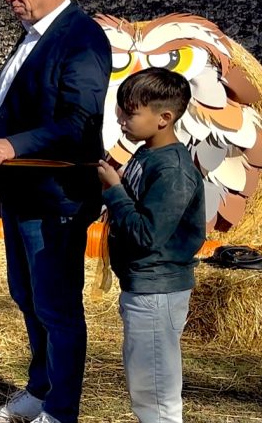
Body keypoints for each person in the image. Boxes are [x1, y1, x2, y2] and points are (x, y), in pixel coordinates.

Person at [0, 0, 109, 423]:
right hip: (19, 195)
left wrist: (13, 145)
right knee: (27, 298)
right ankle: (39, 388)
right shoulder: (33, 33)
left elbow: (79, 122)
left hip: (56, 201)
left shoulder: (80, 36)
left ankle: (61, 409)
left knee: (57, 308)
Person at [96, 68, 204, 423]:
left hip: (157, 290)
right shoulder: (146, 154)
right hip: (142, 286)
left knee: (154, 388)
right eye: (121, 110)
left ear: (164, 118)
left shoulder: (172, 169)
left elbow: (147, 234)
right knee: (145, 380)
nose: (120, 119)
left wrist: (114, 190)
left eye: (130, 112)